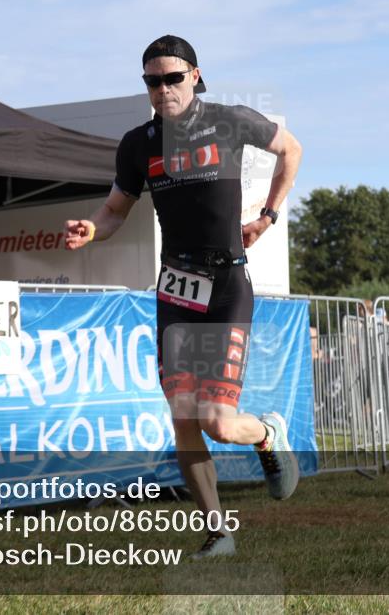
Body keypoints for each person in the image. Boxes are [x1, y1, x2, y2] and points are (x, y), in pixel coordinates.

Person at [64, 35, 303, 558]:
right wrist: (91, 228)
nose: (163, 89)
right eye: (152, 81)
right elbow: (114, 212)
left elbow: (292, 149)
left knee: (218, 422)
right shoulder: (138, 143)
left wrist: (267, 216)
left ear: (195, 76)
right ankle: (219, 533)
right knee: (183, 417)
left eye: (173, 78)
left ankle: (265, 431)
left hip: (225, 285)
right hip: (176, 288)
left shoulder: (231, 120)